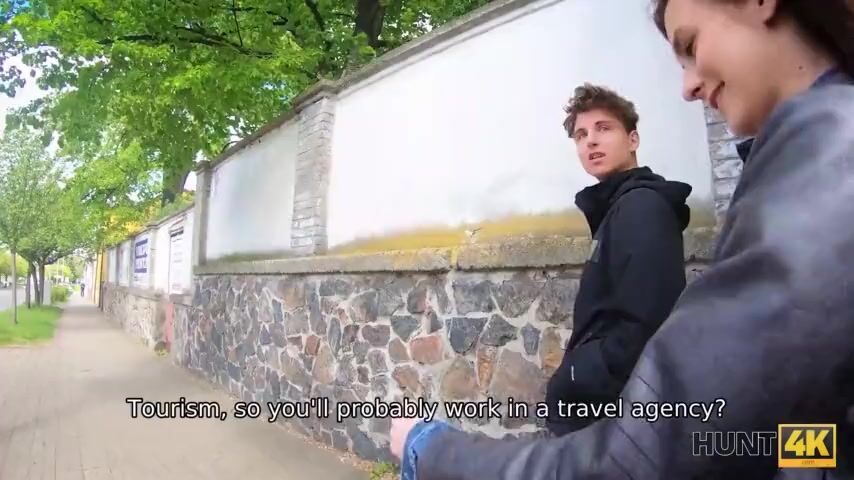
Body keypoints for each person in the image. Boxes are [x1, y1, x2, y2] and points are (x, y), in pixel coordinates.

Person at [390, 0, 854, 478]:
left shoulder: (819, 168)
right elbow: (802, 436)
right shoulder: (791, 164)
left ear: (633, 139)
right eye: (580, 134)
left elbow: (650, 427)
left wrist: (430, 447)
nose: (689, 86)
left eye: (691, 44)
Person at [544, 83, 691, 436]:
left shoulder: (641, 208)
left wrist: (574, 377)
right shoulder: (617, 208)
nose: (590, 141)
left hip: (614, 417)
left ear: (633, 139)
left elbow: (646, 326)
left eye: (603, 128)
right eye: (581, 135)